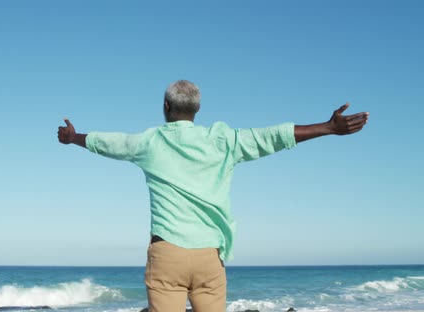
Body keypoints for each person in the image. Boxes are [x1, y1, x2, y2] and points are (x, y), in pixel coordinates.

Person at [57, 80, 369, 312]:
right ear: (197, 110)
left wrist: (73, 138)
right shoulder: (224, 141)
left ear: (166, 107)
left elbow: (109, 142)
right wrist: (328, 127)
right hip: (209, 257)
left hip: (167, 254)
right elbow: (274, 136)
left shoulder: (149, 143)